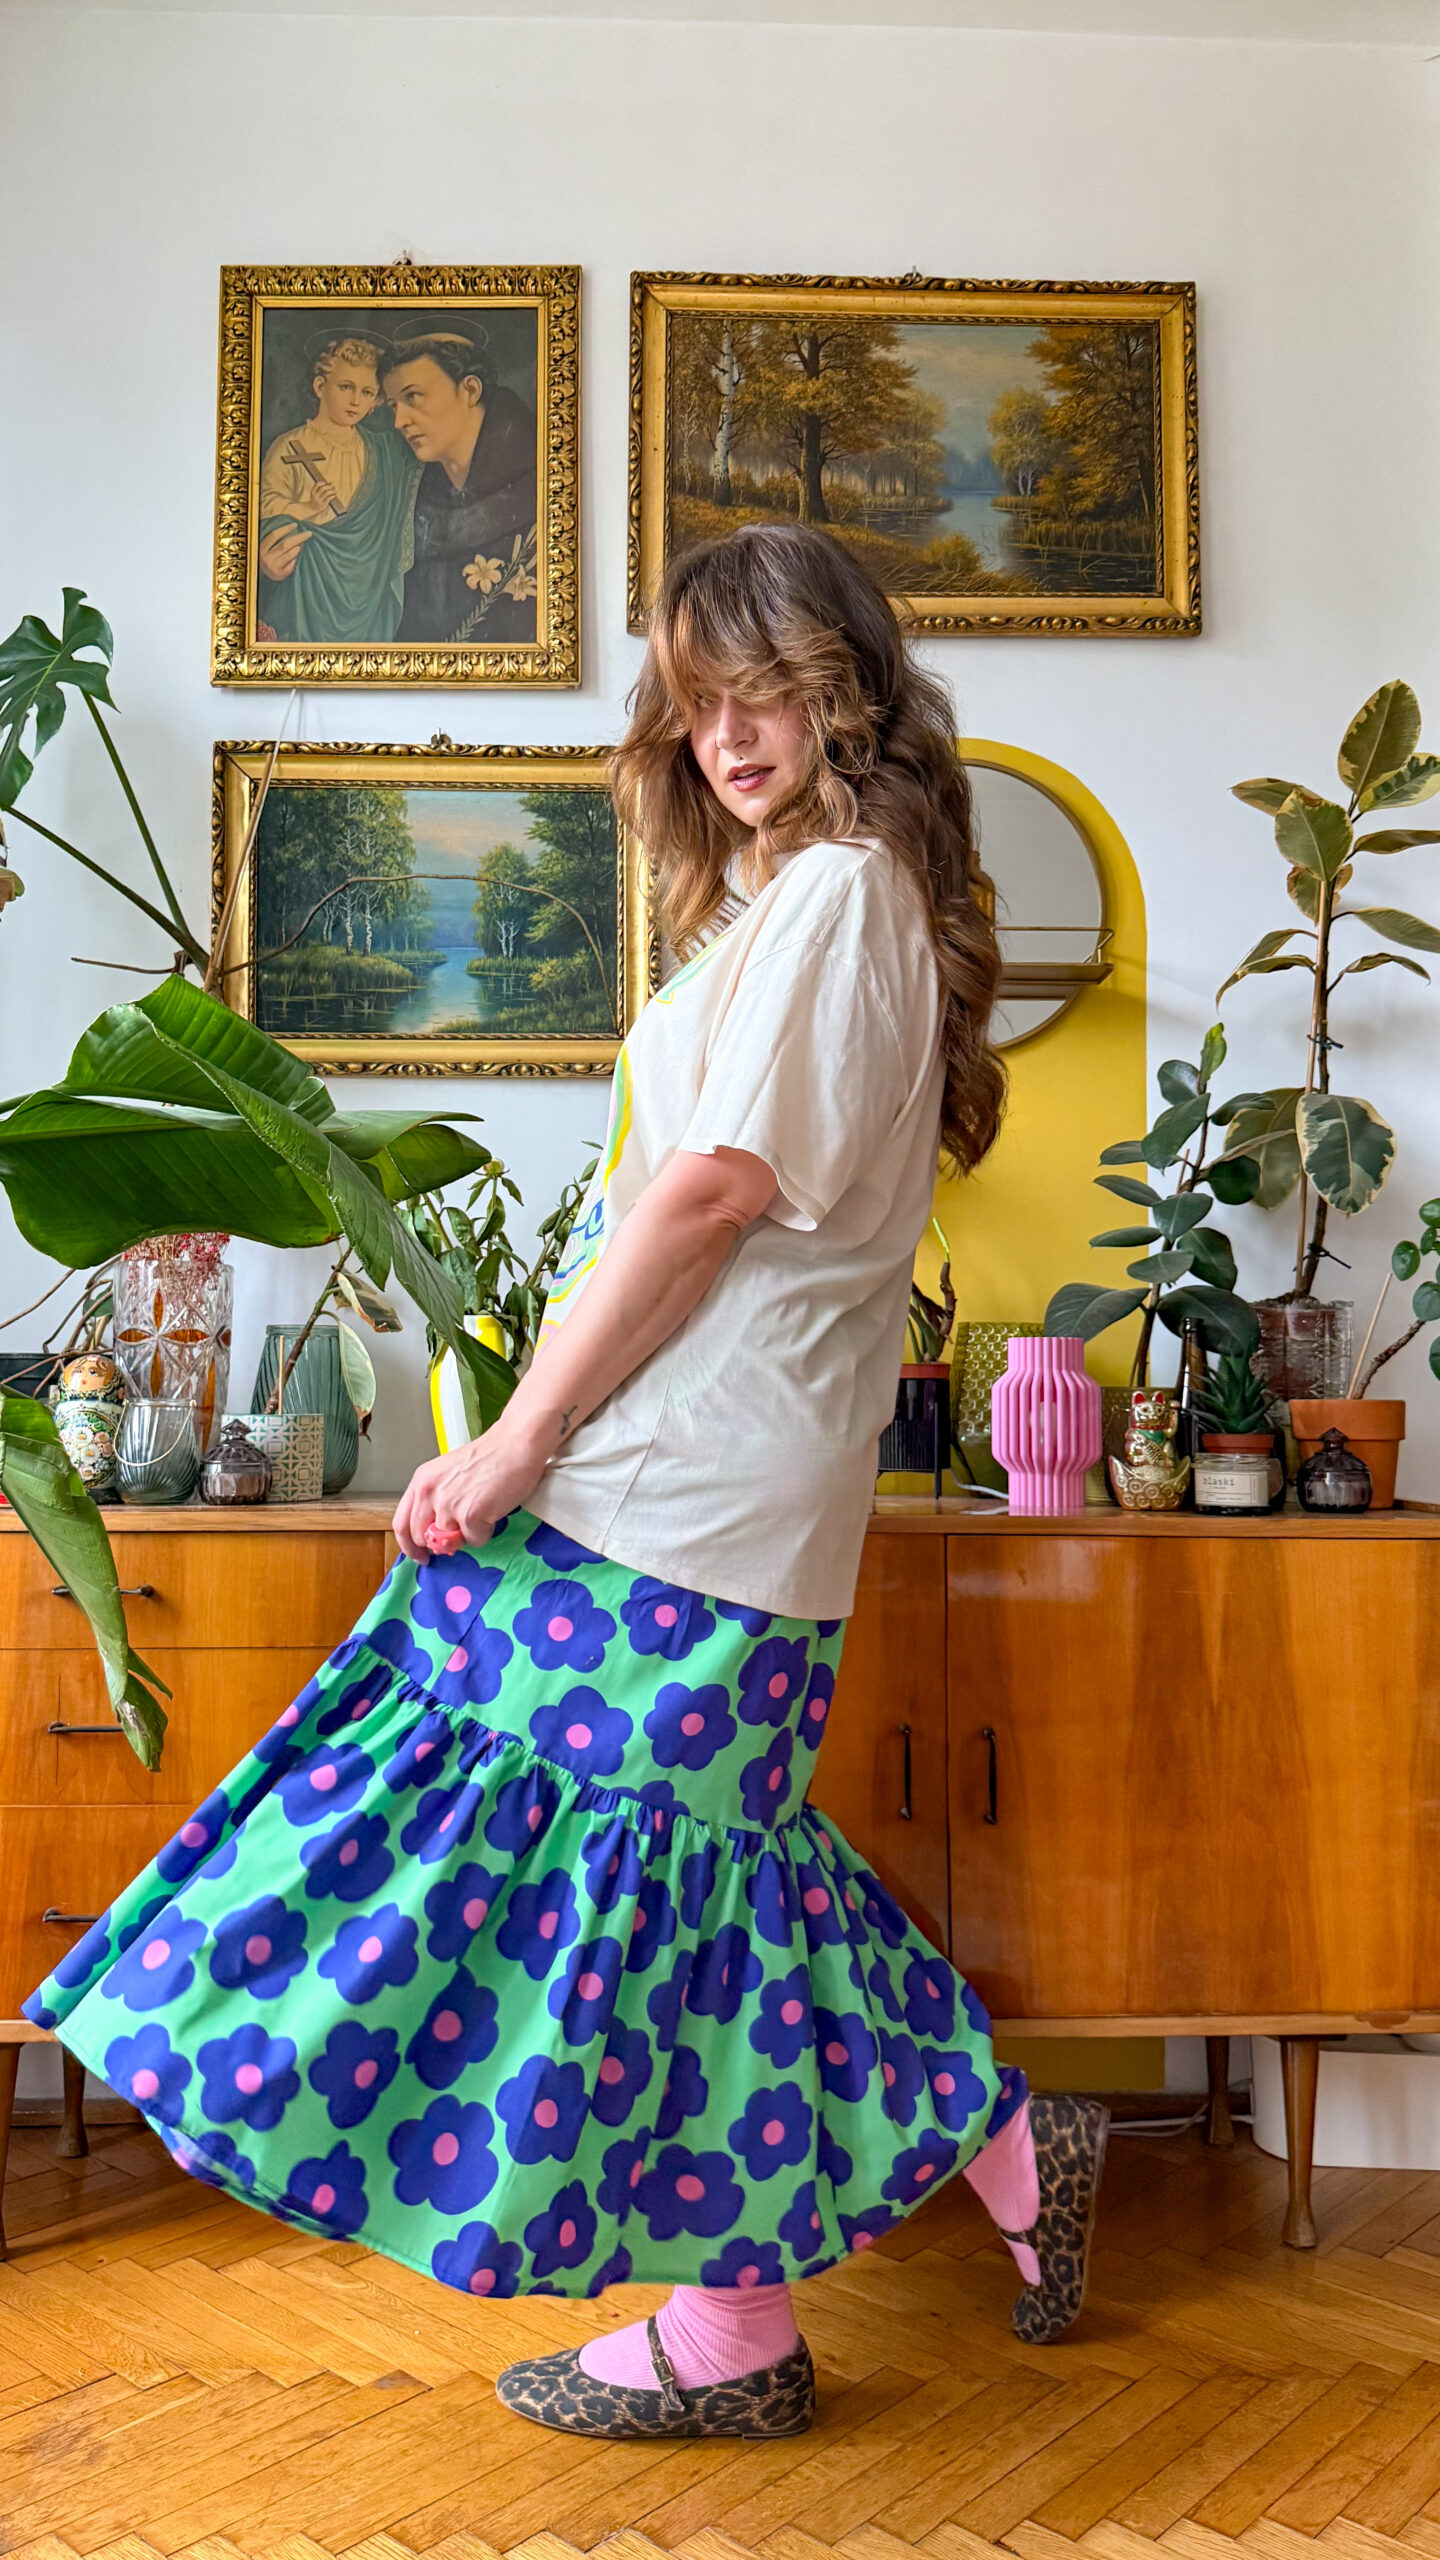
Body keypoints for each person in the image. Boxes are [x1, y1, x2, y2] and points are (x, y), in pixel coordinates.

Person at [24, 523, 1108, 2445]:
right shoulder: (812, 910)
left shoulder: (842, 896)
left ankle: (783, 2280)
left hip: (687, 1482)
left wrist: (522, 1431)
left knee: (615, 1849)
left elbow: (710, 1193)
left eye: (762, 687)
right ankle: (878, 2217)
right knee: (696, 1863)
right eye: (697, 701)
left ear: (845, 693)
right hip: (706, 1482)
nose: (727, 732)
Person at [256, 332, 420, 646]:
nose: (356, 400)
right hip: (306, 590)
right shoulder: (290, 445)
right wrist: (307, 509)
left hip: (367, 592)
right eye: (346, 387)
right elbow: (264, 509)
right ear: (320, 387)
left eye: (367, 392)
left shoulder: (383, 451)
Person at [380, 327, 538, 646]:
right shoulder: (417, 491)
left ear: (470, 390)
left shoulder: (539, 478)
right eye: (393, 405)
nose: (399, 421)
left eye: (413, 396)